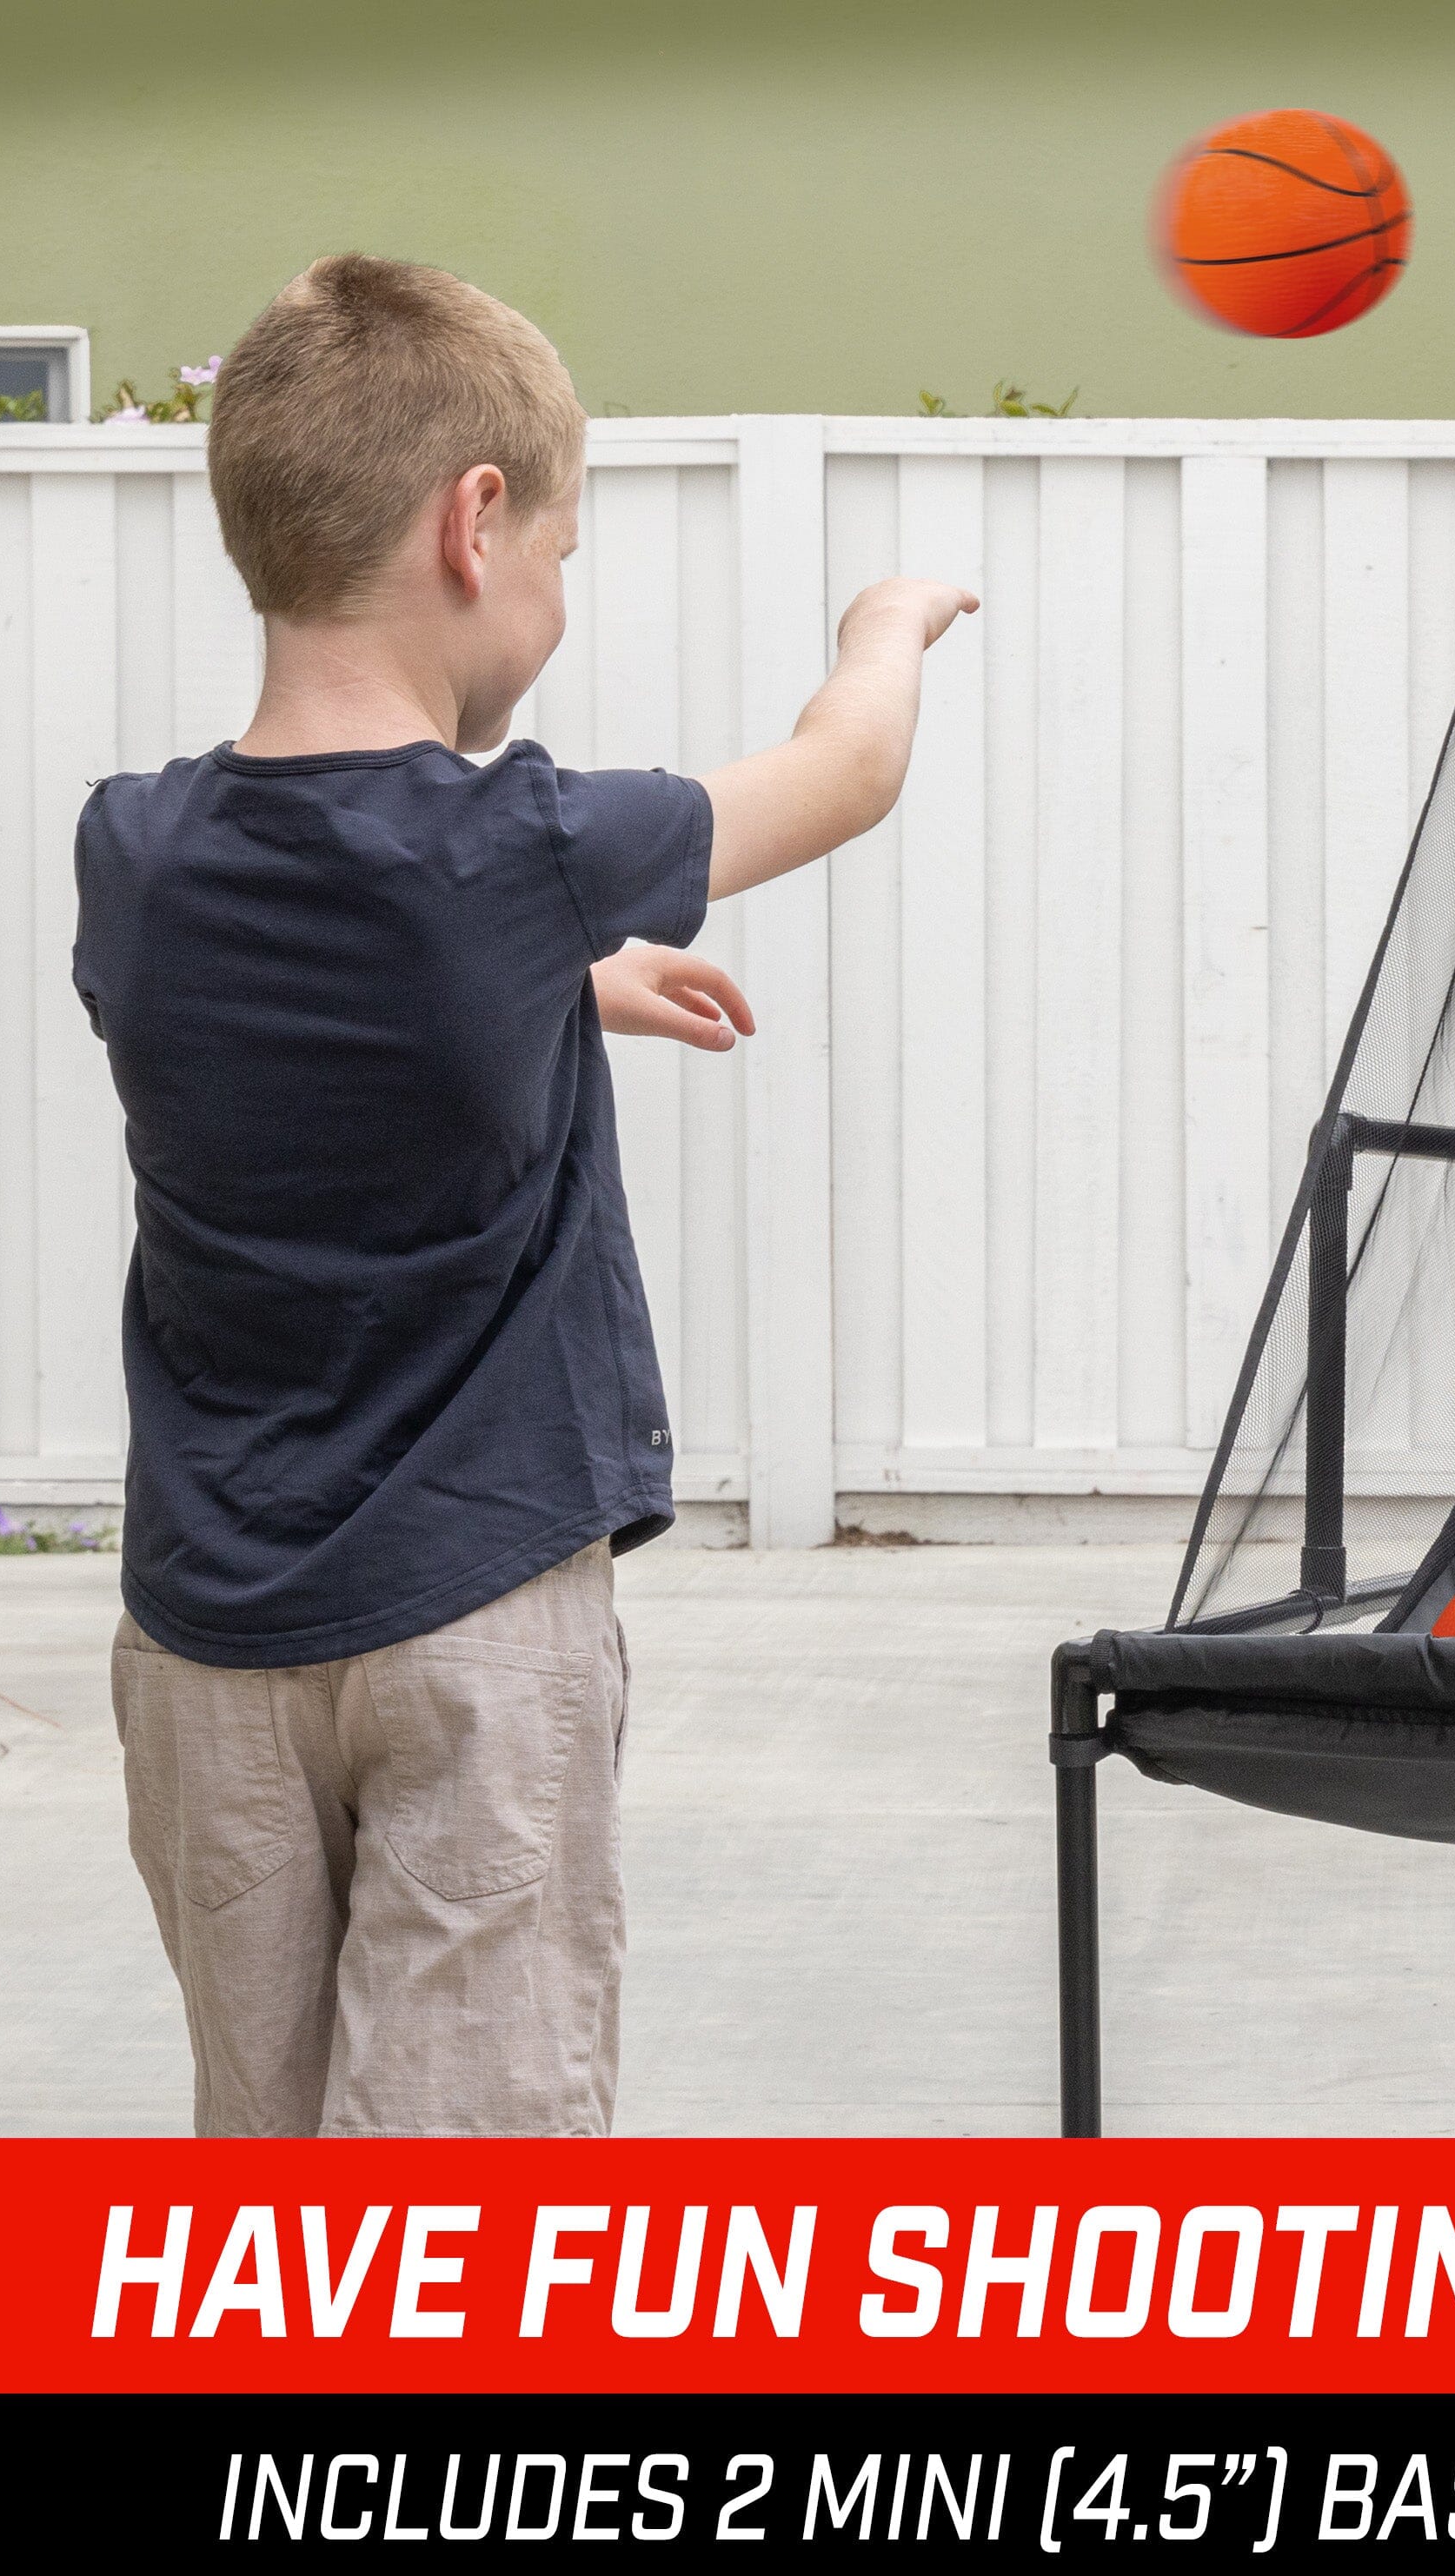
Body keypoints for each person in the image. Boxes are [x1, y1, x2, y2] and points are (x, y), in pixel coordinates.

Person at [72, 255, 974, 2136]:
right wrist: (888, 621)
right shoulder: (523, 842)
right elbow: (846, 768)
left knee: (264, 2171)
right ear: (474, 525)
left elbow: (318, 1001)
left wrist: (559, 983)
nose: (556, 602)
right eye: (564, 554)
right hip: (470, 1621)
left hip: (205, 1642)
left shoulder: (137, 850)